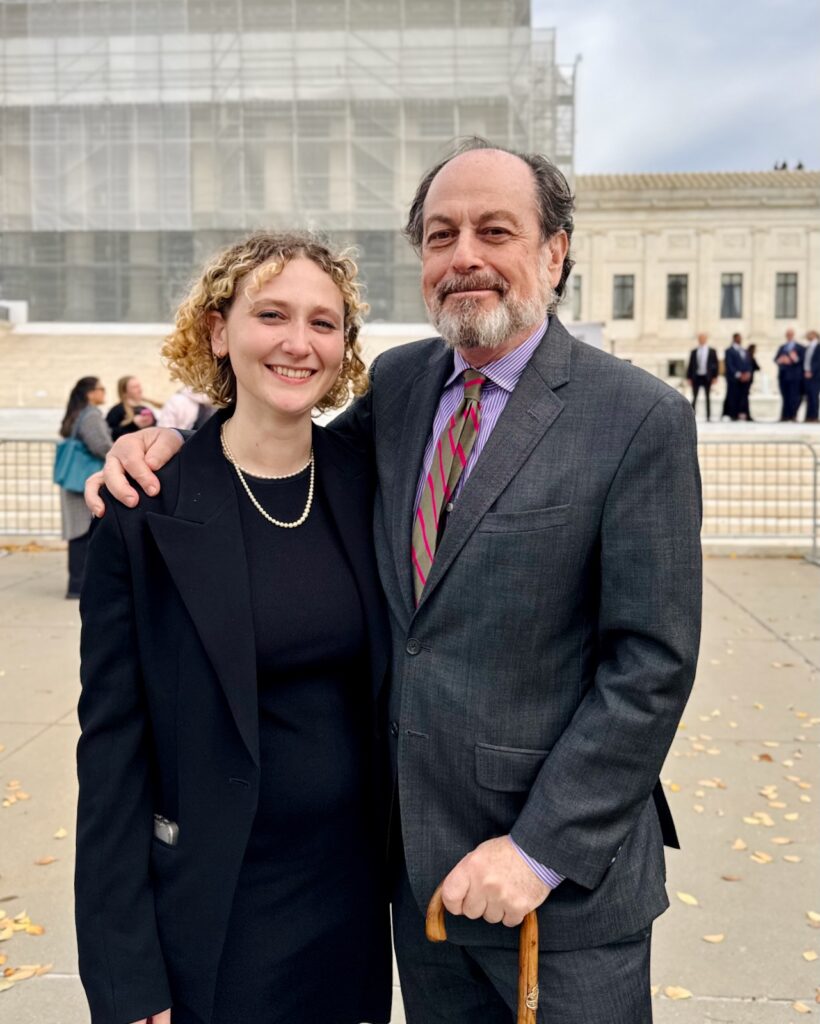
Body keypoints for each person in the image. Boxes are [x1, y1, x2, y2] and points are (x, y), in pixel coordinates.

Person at [88, 139, 702, 1024]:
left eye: (496, 230)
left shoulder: (638, 418)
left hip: (560, 899)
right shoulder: (406, 385)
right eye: (441, 234)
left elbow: (650, 667)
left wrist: (535, 853)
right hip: (415, 893)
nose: (466, 257)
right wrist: (171, 428)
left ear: (555, 252)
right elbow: (280, 427)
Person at [75, 233, 392, 1024]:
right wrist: (126, 979)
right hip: (213, 912)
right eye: (272, 314)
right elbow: (113, 752)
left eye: (325, 323)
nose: (298, 342)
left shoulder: (370, 482)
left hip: (349, 908)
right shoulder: (145, 505)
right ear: (219, 331)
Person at [57, 376, 111, 598]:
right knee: (83, 533)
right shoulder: (90, 415)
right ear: (91, 393)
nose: (104, 393)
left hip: (74, 480)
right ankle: (79, 586)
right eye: (101, 389)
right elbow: (101, 446)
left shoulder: (76, 413)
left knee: (77, 534)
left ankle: (76, 584)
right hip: (84, 481)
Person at [105, 375, 159, 439]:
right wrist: (133, 424)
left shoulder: (145, 408)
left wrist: (150, 423)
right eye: (135, 387)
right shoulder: (116, 411)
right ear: (124, 391)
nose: (140, 390)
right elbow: (110, 434)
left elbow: (156, 431)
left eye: (139, 386)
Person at [774, 328, 805, 421]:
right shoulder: (782, 347)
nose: (789, 336)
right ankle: (785, 416)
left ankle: (793, 415)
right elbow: (775, 359)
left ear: (793, 335)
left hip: (795, 376)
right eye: (787, 334)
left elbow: (802, 361)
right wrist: (781, 360)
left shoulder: (800, 347)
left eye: (790, 334)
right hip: (783, 376)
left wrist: (793, 358)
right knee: (785, 396)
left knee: (794, 396)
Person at [686, 332, 718, 420]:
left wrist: (715, 377)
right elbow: (690, 365)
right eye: (700, 338)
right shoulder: (694, 351)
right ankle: (691, 416)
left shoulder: (712, 351)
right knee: (694, 397)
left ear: (706, 339)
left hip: (707, 377)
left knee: (708, 397)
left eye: (703, 338)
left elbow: (715, 364)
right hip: (696, 377)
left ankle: (708, 416)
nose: (701, 340)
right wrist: (688, 377)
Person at [723, 333, 751, 420]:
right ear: (734, 338)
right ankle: (733, 414)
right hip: (734, 379)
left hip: (744, 379)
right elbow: (729, 364)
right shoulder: (729, 351)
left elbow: (748, 363)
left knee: (744, 397)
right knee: (733, 396)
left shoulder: (744, 350)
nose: (740, 339)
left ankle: (744, 414)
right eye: (738, 338)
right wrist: (739, 374)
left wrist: (748, 373)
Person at [803, 329, 820, 422]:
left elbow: (818, 361)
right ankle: (808, 416)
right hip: (807, 375)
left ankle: (814, 416)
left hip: (815, 376)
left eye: (809, 334)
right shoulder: (808, 347)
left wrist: (811, 371)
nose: (807, 336)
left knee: (814, 396)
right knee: (809, 396)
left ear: (814, 335)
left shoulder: (818, 346)